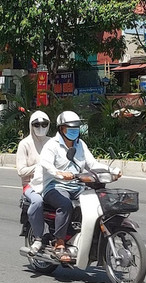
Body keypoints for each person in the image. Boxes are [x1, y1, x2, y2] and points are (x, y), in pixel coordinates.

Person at [36, 110, 103, 263]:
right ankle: (59, 244)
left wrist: (111, 170)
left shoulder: (80, 144)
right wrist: (58, 173)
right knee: (65, 204)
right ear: (61, 129)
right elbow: (45, 163)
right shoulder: (51, 145)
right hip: (54, 186)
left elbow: (92, 164)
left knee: (97, 202)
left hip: (77, 186)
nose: (74, 131)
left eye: (76, 128)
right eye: (70, 128)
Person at [16, 110, 51, 253]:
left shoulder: (52, 142)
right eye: (37, 124)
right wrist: (40, 167)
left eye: (44, 124)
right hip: (30, 185)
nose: (41, 127)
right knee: (37, 201)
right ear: (31, 125)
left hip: (50, 182)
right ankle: (37, 238)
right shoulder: (25, 144)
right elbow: (21, 171)